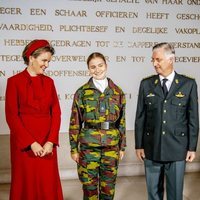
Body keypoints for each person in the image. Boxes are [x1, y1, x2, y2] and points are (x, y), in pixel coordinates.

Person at [135, 42, 199, 200]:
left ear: (171, 59)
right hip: (152, 147)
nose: (155, 64)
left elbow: (193, 118)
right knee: (153, 193)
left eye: (158, 59)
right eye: (153, 60)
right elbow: (140, 117)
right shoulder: (146, 84)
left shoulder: (188, 84)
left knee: (175, 194)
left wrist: (192, 147)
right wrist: (139, 145)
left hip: (177, 148)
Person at [5, 39, 63, 200]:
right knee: (26, 183)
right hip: (24, 145)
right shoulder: (13, 82)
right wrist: (31, 143)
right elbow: (12, 117)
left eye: (48, 61)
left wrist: (50, 142)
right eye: (44, 60)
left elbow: (56, 114)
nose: (47, 65)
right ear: (31, 58)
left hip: (47, 143)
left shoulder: (50, 82)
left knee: (47, 182)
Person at [69, 52, 126, 200]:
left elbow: (122, 121)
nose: (97, 69)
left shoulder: (117, 92)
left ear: (106, 66)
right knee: (89, 188)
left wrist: (122, 146)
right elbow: (75, 122)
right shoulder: (81, 92)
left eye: (100, 65)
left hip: (111, 146)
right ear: (88, 69)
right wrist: (74, 149)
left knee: (109, 188)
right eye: (92, 67)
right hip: (88, 148)